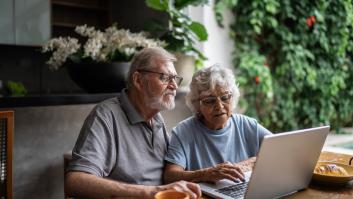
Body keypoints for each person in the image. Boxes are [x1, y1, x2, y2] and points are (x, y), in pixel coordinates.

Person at [65, 47, 201, 199]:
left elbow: (166, 174)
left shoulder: (156, 118)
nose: (174, 86)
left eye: (175, 79)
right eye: (164, 77)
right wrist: (153, 192)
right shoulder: (105, 116)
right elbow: (75, 182)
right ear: (138, 80)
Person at [163, 64, 272, 184]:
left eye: (225, 97)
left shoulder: (248, 125)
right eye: (209, 101)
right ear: (196, 104)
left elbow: (280, 149)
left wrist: (245, 164)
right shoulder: (183, 132)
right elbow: (170, 176)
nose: (219, 106)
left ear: (233, 97)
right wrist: (206, 174)